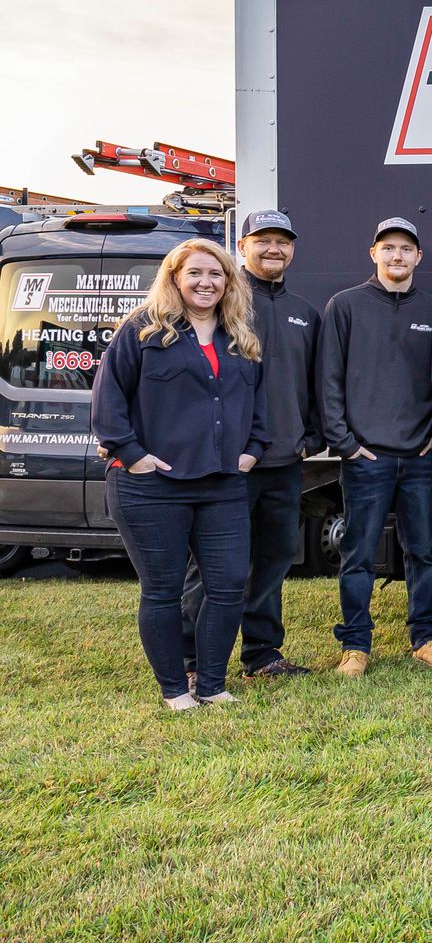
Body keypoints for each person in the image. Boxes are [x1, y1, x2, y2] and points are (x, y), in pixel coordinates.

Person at [92, 238, 268, 710]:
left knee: (228, 587)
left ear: (229, 281)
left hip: (222, 484)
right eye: (195, 272)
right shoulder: (141, 330)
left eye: (216, 274)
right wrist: (134, 456)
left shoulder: (240, 337)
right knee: (163, 591)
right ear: (174, 278)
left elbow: (259, 405)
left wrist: (253, 450)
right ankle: (174, 689)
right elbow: (108, 401)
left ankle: (211, 685)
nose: (206, 282)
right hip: (150, 487)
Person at [180, 210, 320, 683]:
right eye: (263, 240)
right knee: (214, 564)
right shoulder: (222, 304)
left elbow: (315, 381)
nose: (273, 249)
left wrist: (310, 437)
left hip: (285, 461)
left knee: (273, 561)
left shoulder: (305, 311)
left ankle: (262, 655)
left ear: (292, 249)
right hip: (229, 463)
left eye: (282, 241)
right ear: (242, 247)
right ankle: (193, 661)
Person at [316, 217, 432, 677]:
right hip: (366, 458)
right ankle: (355, 646)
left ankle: (426, 639)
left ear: (419, 257)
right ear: (373, 253)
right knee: (358, 556)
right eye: (389, 247)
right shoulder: (346, 306)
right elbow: (328, 380)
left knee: (424, 553)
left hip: (420, 457)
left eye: (406, 249)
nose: (397, 255)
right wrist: (346, 444)